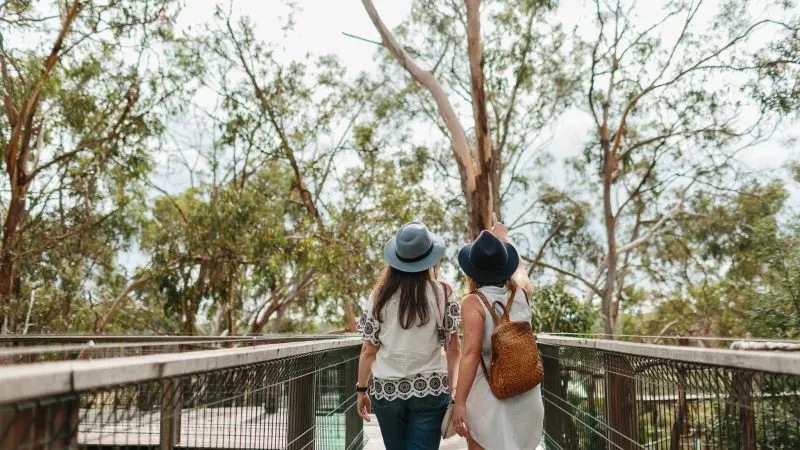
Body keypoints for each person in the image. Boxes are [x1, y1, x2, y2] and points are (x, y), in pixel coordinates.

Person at [356, 221, 462, 450]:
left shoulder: (379, 295)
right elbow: (453, 349)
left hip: (387, 389)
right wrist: (454, 393)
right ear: (429, 258)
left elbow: (368, 349)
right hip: (431, 388)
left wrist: (361, 389)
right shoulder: (443, 293)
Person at [451, 215, 543, 450]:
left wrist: (459, 403)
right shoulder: (522, 292)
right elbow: (520, 268)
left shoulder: (473, 302)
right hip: (526, 392)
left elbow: (471, 354)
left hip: (490, 396)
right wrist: (503, 236)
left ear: (473, 271)